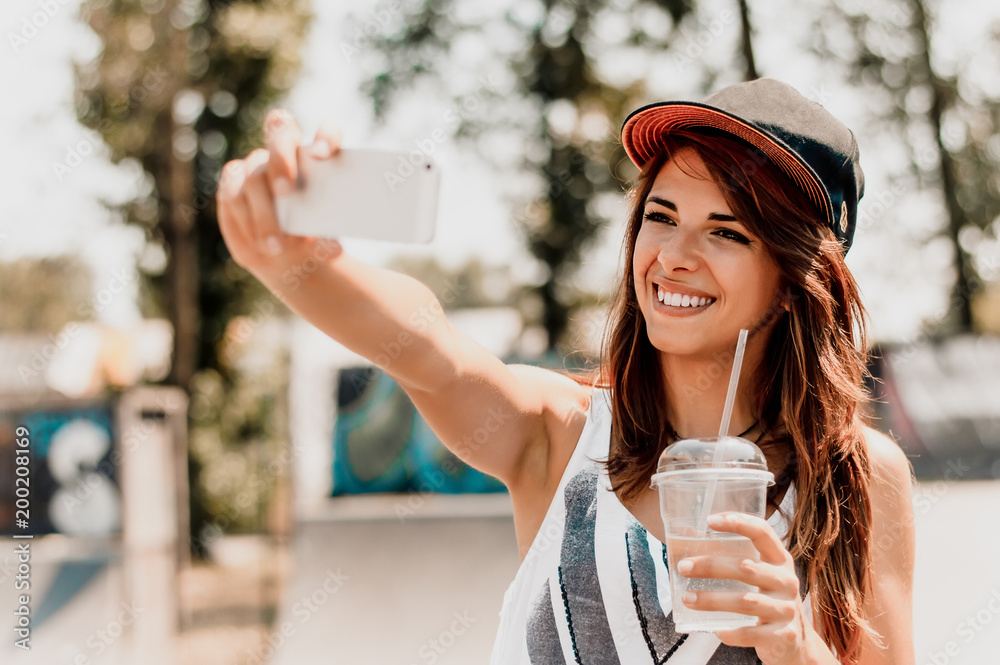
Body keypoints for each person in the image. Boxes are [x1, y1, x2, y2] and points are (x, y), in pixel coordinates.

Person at [215, 77, 915, 664]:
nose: (674, 254)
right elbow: (429, 350)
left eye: (727, 231)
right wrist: (297, 261)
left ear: (796, 278)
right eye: (661, 216)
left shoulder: (858, 475)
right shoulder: (561, 432)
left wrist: (793, 643)